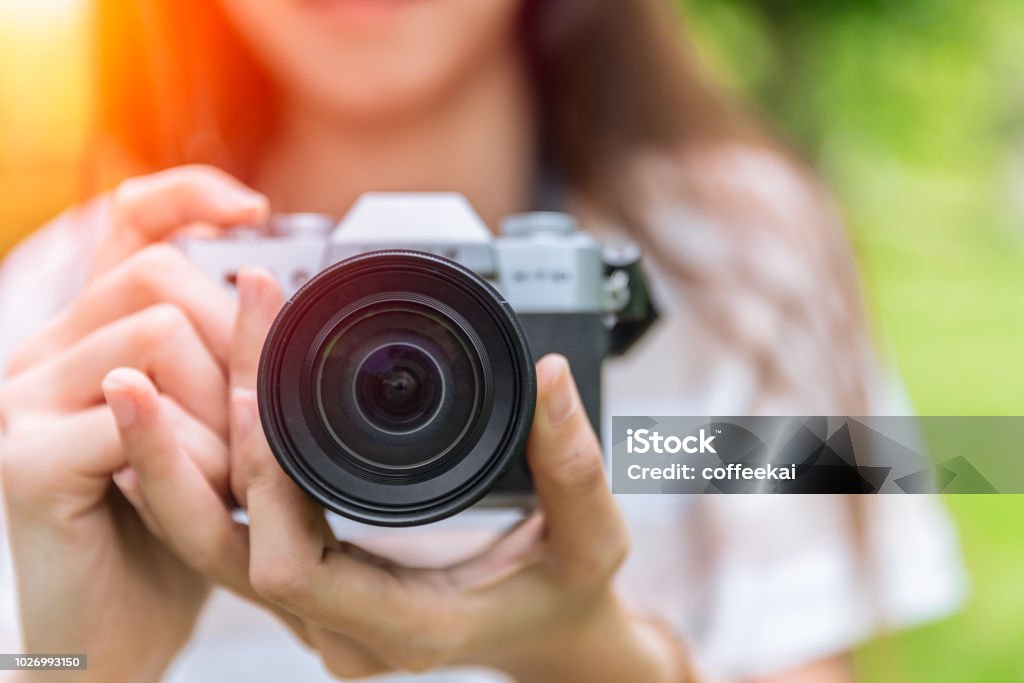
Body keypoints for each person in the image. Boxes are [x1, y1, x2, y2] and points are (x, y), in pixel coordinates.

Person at [0, 0, 966, 681]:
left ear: (595, 302)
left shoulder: (736, 259)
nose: (398, 376)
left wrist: (594, 658)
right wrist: (76, 672)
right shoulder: (77, 312)